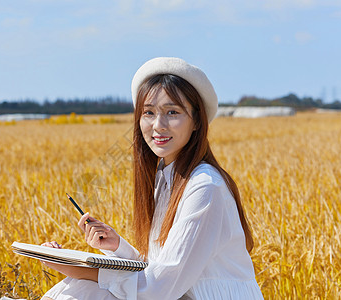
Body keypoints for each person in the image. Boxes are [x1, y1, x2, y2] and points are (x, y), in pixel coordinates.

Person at [40, 57, 264, 300]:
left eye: (172, 112)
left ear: (197, 121)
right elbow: (159, 269)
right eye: (149, 112)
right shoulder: (166, 177)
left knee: (88, 287)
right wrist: (117, 247)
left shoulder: (204, 187)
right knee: (86, 288)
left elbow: (157, 289)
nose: (158, 125)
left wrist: (78, 269)